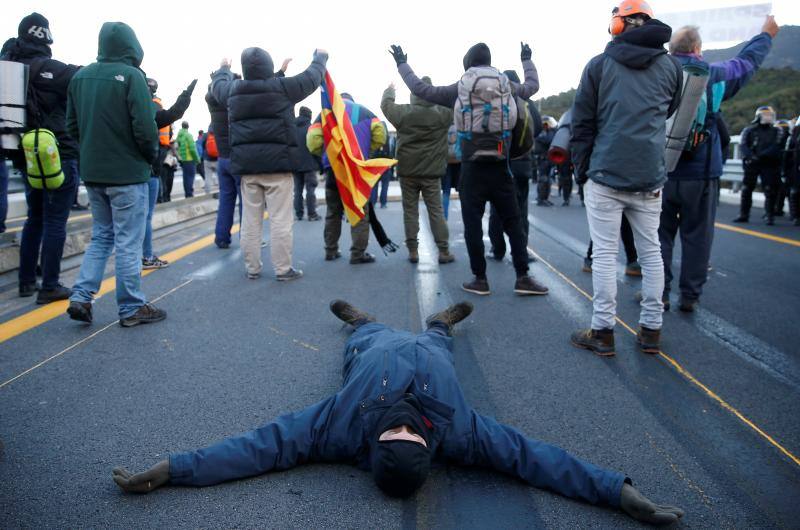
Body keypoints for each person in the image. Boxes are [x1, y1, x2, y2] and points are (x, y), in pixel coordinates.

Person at [112, 299, 684, 526]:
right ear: (430, 450)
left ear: (375, 447)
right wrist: (621, 493)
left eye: (399, 433)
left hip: (371, 354)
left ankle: (358, 320)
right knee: (437, 339)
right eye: (413, 434)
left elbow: (261, 446)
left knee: (364, 336)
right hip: (431, 354)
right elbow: (539, 460)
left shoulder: (337, 427)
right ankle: (440, 321)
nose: (406, 423)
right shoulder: (462, 434)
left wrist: (173, 468)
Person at [390, 41, 548, 297]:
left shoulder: (461, 88)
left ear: (467, 64)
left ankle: (480, 279)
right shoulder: (506, 86)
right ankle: (523, 277)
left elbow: (422, 89)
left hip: (472, 167)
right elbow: (533, 86)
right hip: (501, 165)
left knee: (472, 224)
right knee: (513, 222)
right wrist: (527, 59)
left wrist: (402, 64)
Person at [569, 1, 682, 356]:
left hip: (605, 173)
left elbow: (582, 123)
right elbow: (668, 110)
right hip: (650, 176)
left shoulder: (600, 65)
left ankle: (603, 332)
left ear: (620, 24)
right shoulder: (672, 67)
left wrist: (581, 170)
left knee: (604, 254)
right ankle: (651, 330)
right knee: (651, 254)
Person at [664, 20, 777, 312]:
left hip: (662, 170)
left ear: (670, 48)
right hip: (701, 173)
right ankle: (689, 295)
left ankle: (658, 292)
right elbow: (746, 63)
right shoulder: (713, 74)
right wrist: (764, 35)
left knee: (658, 236)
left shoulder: (660, 73)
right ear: (698, 49)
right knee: (697, 237)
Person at [65, 21, 166, 327]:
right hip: (128, 174)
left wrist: (92, 153)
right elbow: (146, 129)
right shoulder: (132, 76)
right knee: (128, 242)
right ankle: (131, 307)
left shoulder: (79, 77)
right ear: (131, 46)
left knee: (101, 237)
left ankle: (81, 296)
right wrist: (149, 157)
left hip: (93, 174)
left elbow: (71, 126)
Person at [212, 50, 326, 281]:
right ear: (268, 66)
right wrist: (320, 58)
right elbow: (313, 76)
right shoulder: (283, 88)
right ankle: (283, 269)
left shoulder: (233, 91)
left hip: (247, 170)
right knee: (280, 220)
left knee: (250, 222)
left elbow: (217, 87)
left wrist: (223, 68)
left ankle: (252, 268)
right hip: (279, 167)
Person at [3, 13, 80, 304]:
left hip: (25, 155)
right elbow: (79, 79)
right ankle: (49, 285)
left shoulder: (10, 71)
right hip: (58, 152)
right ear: (46, 37)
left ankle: (26, 281)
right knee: (56, 219)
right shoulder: (50, 69)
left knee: (34, 216)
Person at [307, 93, 386, 264]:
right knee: (359, 213)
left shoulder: (325, 113)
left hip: (334, 170)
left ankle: (331, 250)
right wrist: (367, 153)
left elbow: (312, 141)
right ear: (352, 100)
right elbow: (381, 135)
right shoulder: (366, 112)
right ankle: (357, 254)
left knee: (333, 211)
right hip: (356, 171)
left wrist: (325, 156)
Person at [381, 79, 454, 264]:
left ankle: (413, 251)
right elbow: (456, 103)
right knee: (436, 211)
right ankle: (444, 251)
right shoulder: (443, 114)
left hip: (407, 172)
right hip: (432, 173)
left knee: (410, 211)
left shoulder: (403, 113)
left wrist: (390, 90)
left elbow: (386, 105)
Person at [488, 69, 542, 263]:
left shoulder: (496, 100)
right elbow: (537, 126)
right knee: (521, 210)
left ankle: (497, 249)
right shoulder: (527, 101)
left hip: (501, 162)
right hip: (523, 164)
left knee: (497, 209)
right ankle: (521, 250)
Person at [142, 77, 197, 271]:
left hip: (124, 169)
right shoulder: (154, 106)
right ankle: (146, 256)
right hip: (150, 167)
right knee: (145, 216)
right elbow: (172, 114)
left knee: (107, 231)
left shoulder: (128, 104)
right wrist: (187, 94)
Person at [735, 106, 786, 226]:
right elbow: (743, 145)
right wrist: (750, 156)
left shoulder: (777, 131)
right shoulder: (749, 130)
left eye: (770, 115)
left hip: (768, 164)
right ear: (758, 116)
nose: (768, 117)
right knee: (747, 189)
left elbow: (777, 146)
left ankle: (769, 216)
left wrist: (761, 155)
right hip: (752, 164)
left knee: (769, 190)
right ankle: (744, 214)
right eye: (765, 115)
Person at [205, 82, 241, 248]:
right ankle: (247, 238)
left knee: (226, 200)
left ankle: (221, 238)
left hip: (222, 159)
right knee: (245, 202)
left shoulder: (212, 106)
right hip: (237, 159)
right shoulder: (233, 104)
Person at [291, 106, 320, 222]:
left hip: (295, 165)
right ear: (309, 115)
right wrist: (320, 164)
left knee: (297, 190)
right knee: (310, 189)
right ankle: (312, 214)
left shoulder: (292, 128)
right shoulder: (311, 128)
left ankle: (299, 214)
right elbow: (316, 147)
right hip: (309, 164)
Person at [534, 116, 557, 206]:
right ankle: (541, 199)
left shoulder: (547, 132)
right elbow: (549, 140)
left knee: (547, 180)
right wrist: (553, 130)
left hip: (547, 159)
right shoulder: (541, 133)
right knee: (543, 179)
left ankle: (545, 198)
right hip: (542, 159)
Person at [176, 121, 199, 198]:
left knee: (185, 177)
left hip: (183, 160)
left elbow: (176, 148)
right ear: (188, 127)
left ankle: (187, 193)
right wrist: (197, 159)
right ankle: (189, 194)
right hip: (190, 159)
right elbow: (192, 149)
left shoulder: (179, 136)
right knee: (190, 177)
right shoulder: (188, 136)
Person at [442, 125, 460, 220]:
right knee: (463, 193)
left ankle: (444, 218)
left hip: (446, 163)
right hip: (459, 162)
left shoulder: (443, 126)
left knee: (445, 193)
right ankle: (467, 219)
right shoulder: (460, 124)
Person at [787, 116, 800, 226]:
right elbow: (787, 153)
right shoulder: (794, 136)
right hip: (796, 167)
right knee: (795, 191)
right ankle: (795, 215)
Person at [201, 129, 219, 195]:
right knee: (220, 176)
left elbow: (202, 145)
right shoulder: (217, 133)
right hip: (217, 159)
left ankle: (207, 193)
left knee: (208, 177)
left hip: (207, 159)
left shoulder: (205, 135)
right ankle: (221, 191)